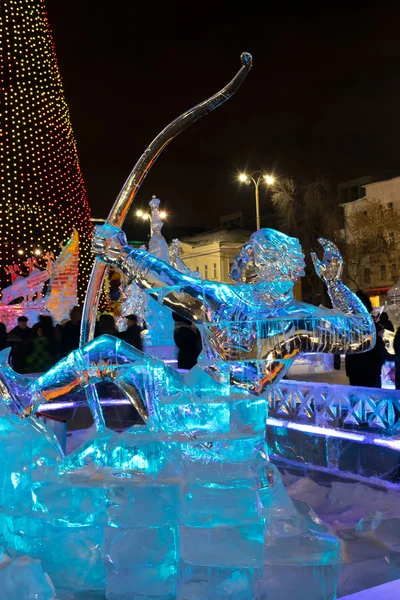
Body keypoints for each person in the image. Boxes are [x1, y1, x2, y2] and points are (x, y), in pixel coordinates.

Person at [90, 225, 375, 395]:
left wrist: (123, 254)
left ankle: (43, 405)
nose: (240, 256)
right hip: (240, 425)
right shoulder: (301, 317)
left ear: (265, 262)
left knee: (103, 350)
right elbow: (364, 334)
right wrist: (334, 285)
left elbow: (171, 283)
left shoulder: (228, 299)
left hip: (194, 411)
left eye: (248, 250)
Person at [345, 291, 386, 388]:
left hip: (356, 368)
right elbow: (377, 349)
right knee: (372, 396)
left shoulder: (350, 325)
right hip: (370, 367)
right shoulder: (371, 326)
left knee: (358, 396)